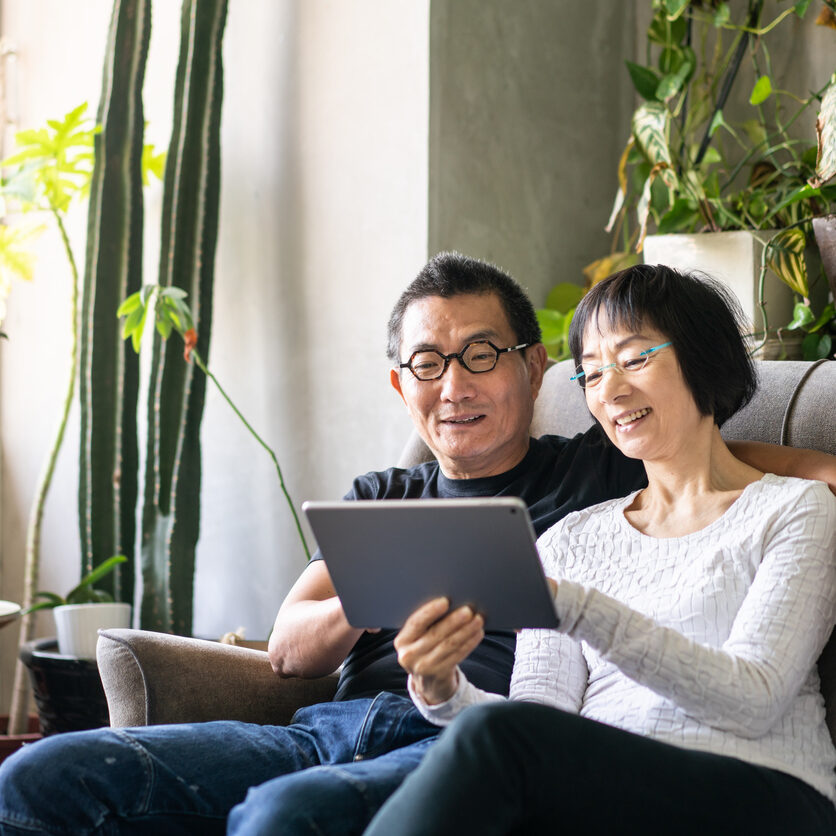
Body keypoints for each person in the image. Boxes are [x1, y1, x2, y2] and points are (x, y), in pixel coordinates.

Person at [0, 254, 832, 836]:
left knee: (288, 815)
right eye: (427, 363)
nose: (454, 385)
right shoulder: (394, 499)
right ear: (401, 384)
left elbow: (696, 454)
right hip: (343, 723)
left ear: (533, 370)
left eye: (479, 356)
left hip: (467, 750)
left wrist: (778, 467)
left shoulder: (592, 469)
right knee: (38, 777)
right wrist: (415, 627)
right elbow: (290, 654)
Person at [364, 264, 836, 836]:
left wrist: (575, 606)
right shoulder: (568, 540)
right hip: (605, 797)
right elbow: (536, 721)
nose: (609, 390)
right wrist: (441, 693)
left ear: (703, 357)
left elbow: (754, 699)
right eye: (589, 373)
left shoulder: (795, 510)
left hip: (764, 794)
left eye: (634, 359)